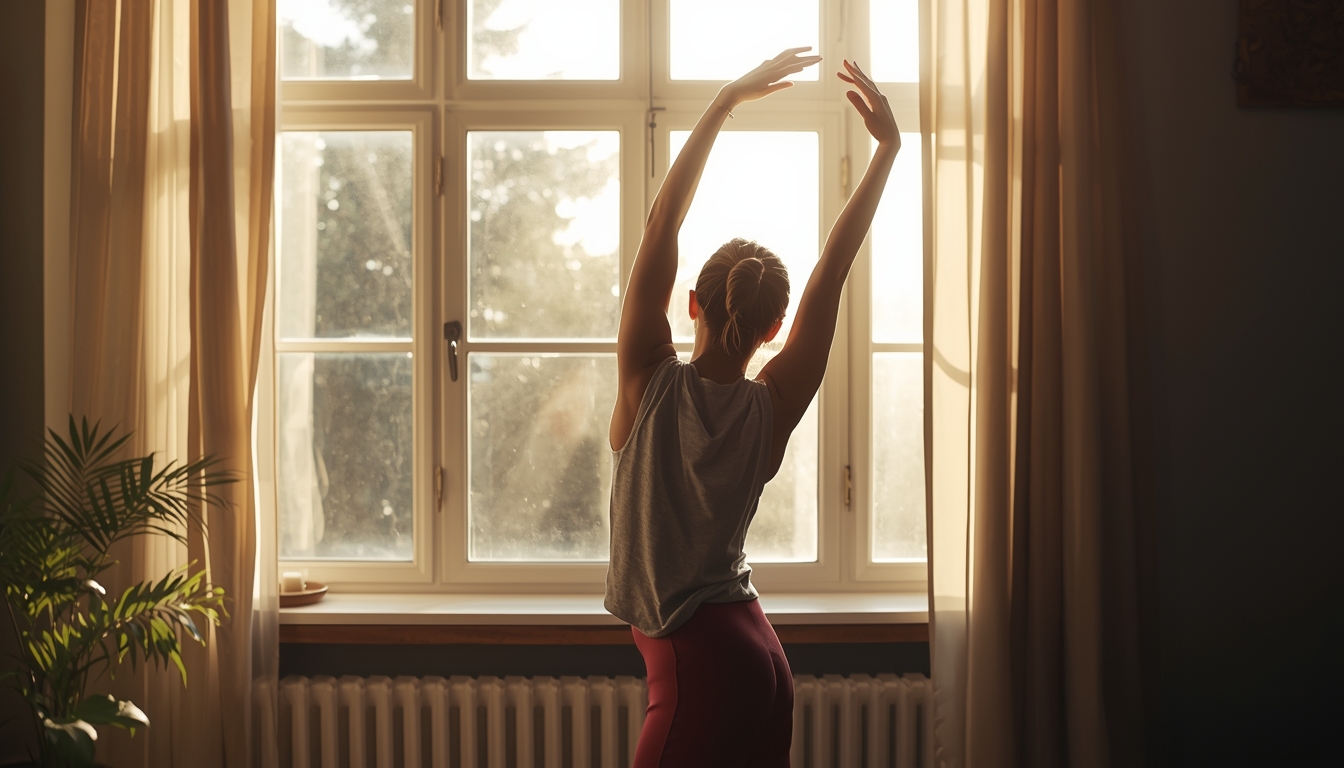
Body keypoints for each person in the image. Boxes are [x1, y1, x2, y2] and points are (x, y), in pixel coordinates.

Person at [604, 48, 900, 767]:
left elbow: (661, 225)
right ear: (774, 329)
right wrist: (888, 151)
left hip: (698, 665)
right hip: (758, 653)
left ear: (692, 304)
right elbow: (832, 274)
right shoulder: (772, 407)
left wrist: (725, 102)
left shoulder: (648, 379)